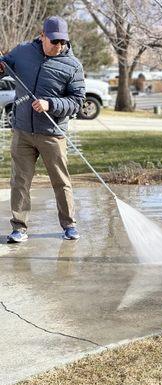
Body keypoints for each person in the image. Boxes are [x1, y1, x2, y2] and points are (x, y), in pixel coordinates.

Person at [0, 16, 86, 243]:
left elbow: (77, 102)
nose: (58, 46)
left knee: (61, 181)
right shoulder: (23, 52)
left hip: (52, 133)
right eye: (54, 41)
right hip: (23, 131)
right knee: (20, 181)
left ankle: (69, 225)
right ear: (42, 37)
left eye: (62, 42)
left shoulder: (73, 65)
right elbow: (4, 65)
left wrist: (51, 104)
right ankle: (19, 228)